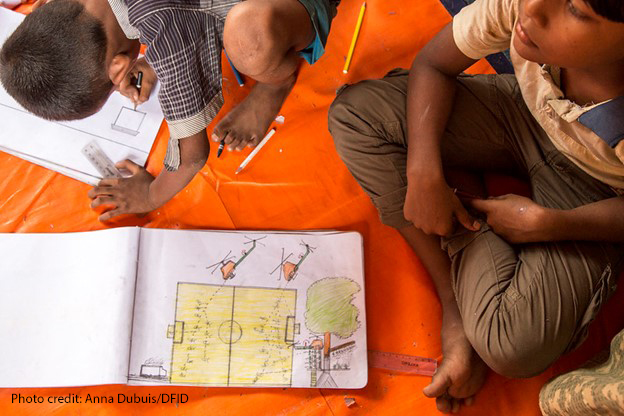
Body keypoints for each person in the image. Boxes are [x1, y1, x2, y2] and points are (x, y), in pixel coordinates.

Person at [328, 0, 624, 412]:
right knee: (355, 117)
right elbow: (433, 64)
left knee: (511, 344)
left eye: (575, 9)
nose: (532, 10)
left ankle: (460, 209)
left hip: (595, 191)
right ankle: (455, 306)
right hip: (523, 113)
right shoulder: (526, 10)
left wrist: (551, 225)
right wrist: (425, 172)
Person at [0, 0, 338, 220]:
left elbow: (192, 156)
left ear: (120, 70)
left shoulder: (162, 29)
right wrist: (157, 58)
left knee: (249, 35)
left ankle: (275, 82)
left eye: (112, 86)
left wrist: (149, 195)